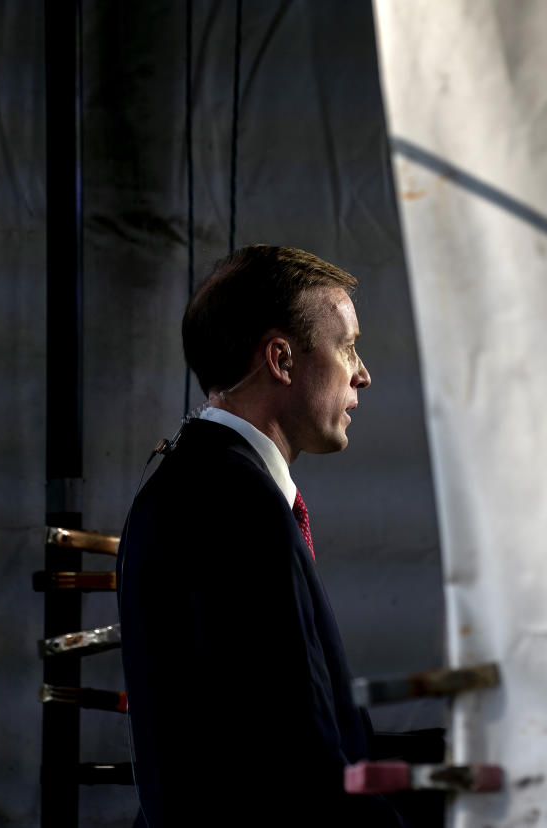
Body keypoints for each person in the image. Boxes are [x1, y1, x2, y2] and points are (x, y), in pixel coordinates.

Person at [117, 245, 405, 826]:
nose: (363, 374)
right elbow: (294, 767)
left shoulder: (200, 481)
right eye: (347, 346)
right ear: (282, 358)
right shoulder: (233, 505)